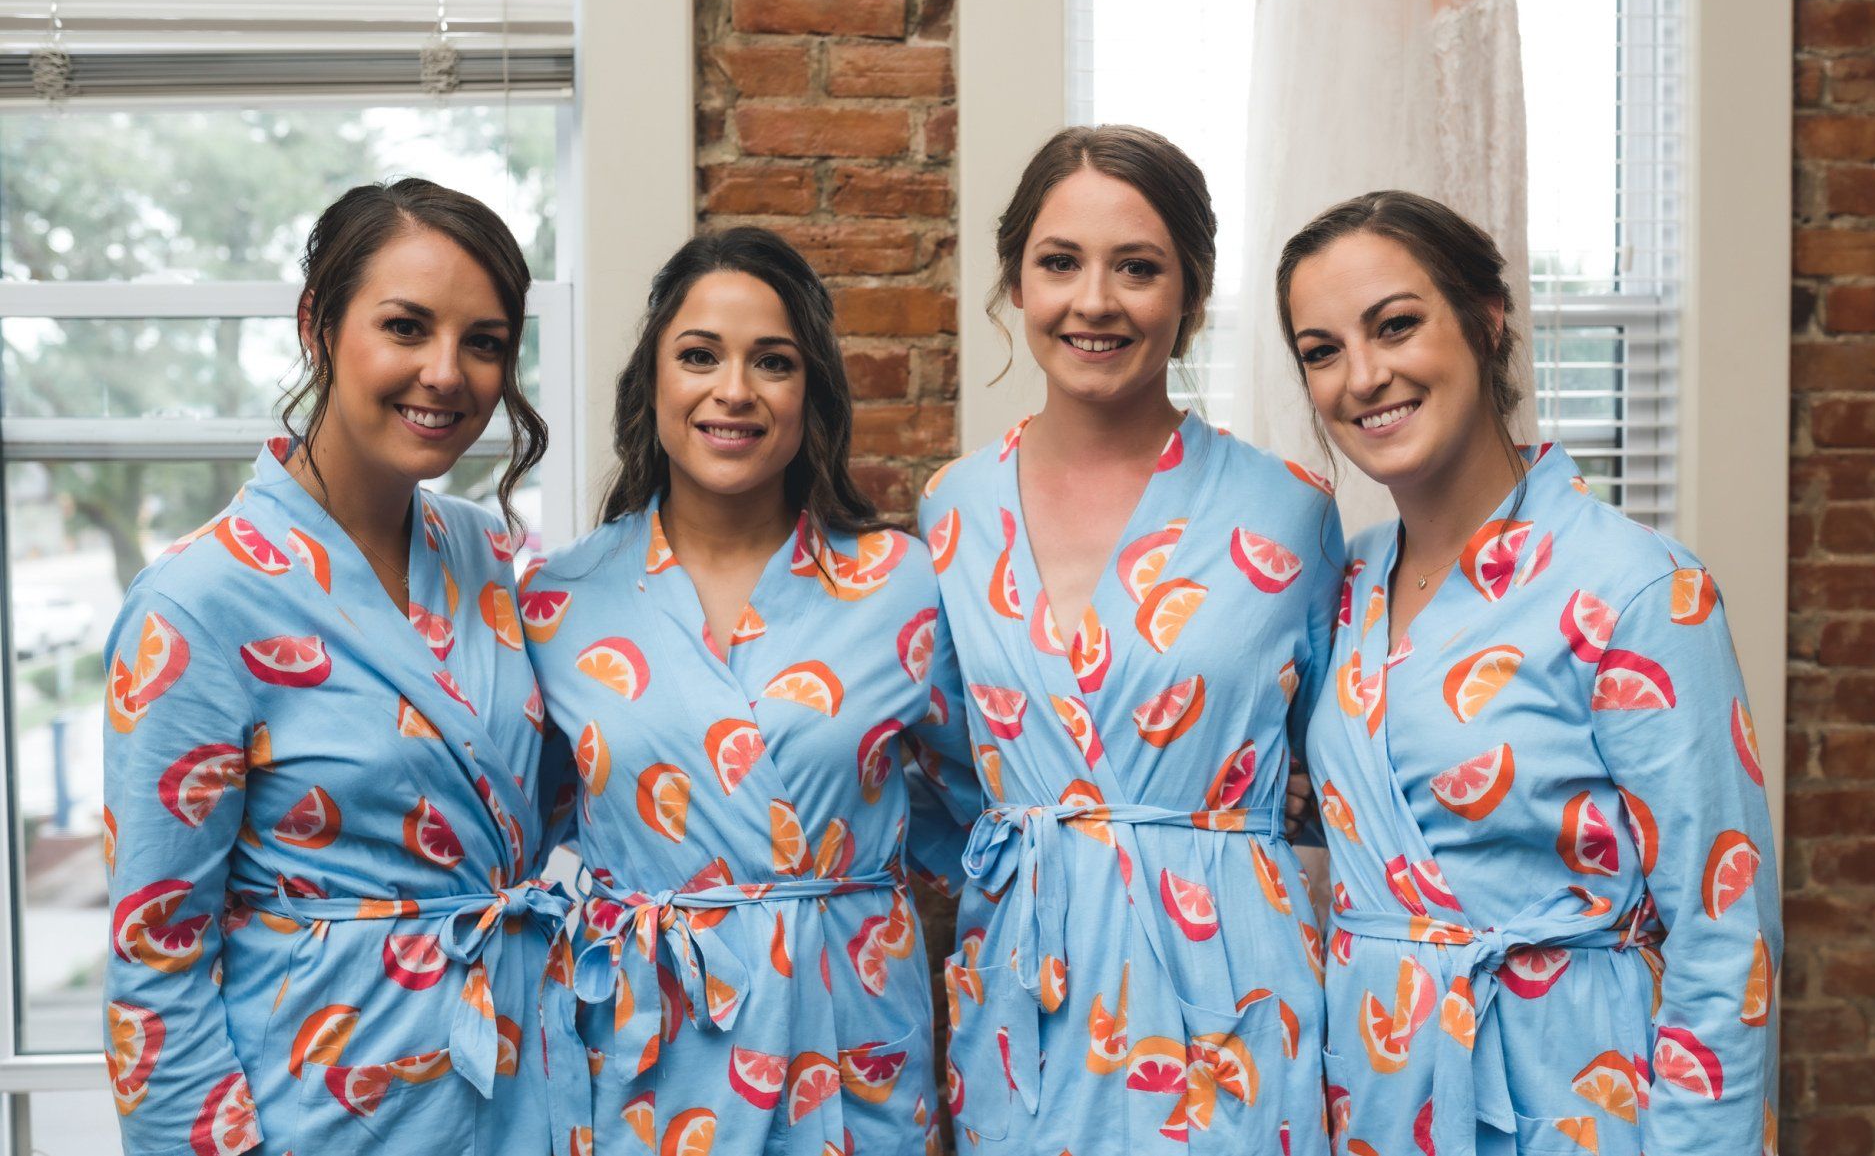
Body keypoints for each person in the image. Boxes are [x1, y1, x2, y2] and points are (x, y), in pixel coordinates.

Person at [1280, 190, 1781, 1156]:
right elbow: (1382, 816)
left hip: (1574, 1094)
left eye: (1396, 325)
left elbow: (1725, 938)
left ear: (1486, 317)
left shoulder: (1640, 590)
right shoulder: (1344, 588)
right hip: (1376, 1099)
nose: (1364, 375)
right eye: (1322, 349)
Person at [102, 179, 584, 1155]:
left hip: (521, 1098)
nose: (447, 373)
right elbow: (155, 971)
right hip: (321, 1119)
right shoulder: (199, 604)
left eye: (485, 342)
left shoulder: (491, 562)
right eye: (406, 327)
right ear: (317, 326)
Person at [920, 125, 1344, 1152]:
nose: (1095, 301)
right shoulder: (953, 510)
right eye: (1060, 262)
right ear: (1016, 284)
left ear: (1191, 295)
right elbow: (937, 769)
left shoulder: (1290, 512)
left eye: (1139, 268)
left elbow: (1346, 770)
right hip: (1026, 990)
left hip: (1232, 998)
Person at [521, 226, 979, 1156]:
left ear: (810, 392)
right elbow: (520, 823)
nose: (734, 390)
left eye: (772, 361)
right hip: (651, 1054)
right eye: (699, 356)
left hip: (850, 1034)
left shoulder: (901, 584)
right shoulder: (556, 601)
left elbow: (980, 808)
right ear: (651, 381)